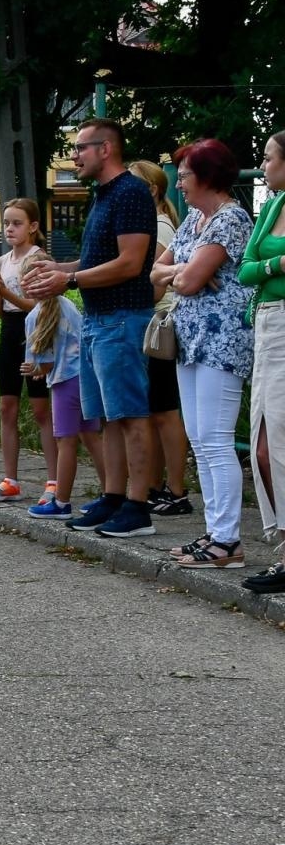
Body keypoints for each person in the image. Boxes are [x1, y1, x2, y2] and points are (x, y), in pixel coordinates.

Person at [26, 118, 160, 539]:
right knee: (110, 418)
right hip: (98, 319)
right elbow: (96, 262)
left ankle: (139, 506)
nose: (74, 155)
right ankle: (114, 496)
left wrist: (67, 280)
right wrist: (59, 268)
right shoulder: (102, 195)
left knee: (132, 414)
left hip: (122, 318)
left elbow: (130, 263)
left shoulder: (132, 193)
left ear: (106, 149)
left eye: (81, 147)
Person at [152, 139, 253, 568]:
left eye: (187, 174)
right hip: (189, 342)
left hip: (222, 344)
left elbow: (189, 283)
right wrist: (184, 271)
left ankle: (227, 539)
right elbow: (157, 273)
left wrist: (186, 274)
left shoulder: (231, 218)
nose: (181, 182)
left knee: (214, 440)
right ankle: (215, 533)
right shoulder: (195, 218)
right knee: (200, 439)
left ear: (208, 176)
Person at [0, 198, 58, 505]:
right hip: (11, 332)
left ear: (33, 227)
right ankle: (10, 479)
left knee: (41, 409)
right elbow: (4, 311)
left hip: (36, 334)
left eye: (17, 223)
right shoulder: (2, 261)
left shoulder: (39, 259)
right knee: (6, 406)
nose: (10, 229)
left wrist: (4, 292)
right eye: (7, 223)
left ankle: (53, 480)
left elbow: (39, 306)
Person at [128, 158, 192, 517]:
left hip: (160, 324)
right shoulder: (151, 222)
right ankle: (154, 485)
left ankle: (176, 489)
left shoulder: (159, 225)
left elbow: (155, 282)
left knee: (165, 410)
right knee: (153, 410)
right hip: (152, 321)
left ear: (151, 190)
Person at [238, 130, 285, 592]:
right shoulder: (272, 206)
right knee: (262, 447)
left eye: (269, 158)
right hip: (266, 324)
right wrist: (277, 266)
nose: (264, 166)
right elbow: (247, 267)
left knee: (279, 446)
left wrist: (268, 272)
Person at [22, 291, 104, 520]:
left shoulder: (34, 316)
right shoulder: (68, 304)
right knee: (91, 436)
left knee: (65, 441)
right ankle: (111, 495)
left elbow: (44, 363)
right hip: (86, 377)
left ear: (26, 287)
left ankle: (61, 502)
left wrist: (35, 370)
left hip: (64, 381)